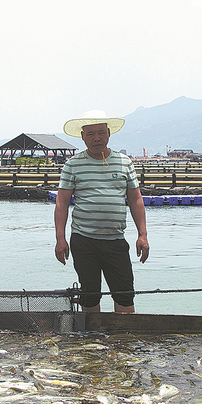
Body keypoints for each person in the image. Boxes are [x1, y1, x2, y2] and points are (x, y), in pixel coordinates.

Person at [54, 111, 149, 313]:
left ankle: (123, 341)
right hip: (83, 239)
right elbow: (62, 202)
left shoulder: (124, 162)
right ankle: (92, 341)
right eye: (90, 134)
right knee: (89, 296)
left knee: (124, 295)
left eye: (100, 133)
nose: (96, 138)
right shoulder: (73, 164)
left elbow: (136, 199)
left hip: (115, 239)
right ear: (82, 137)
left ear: (108, 133)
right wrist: (60, 239)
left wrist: (142, 235)